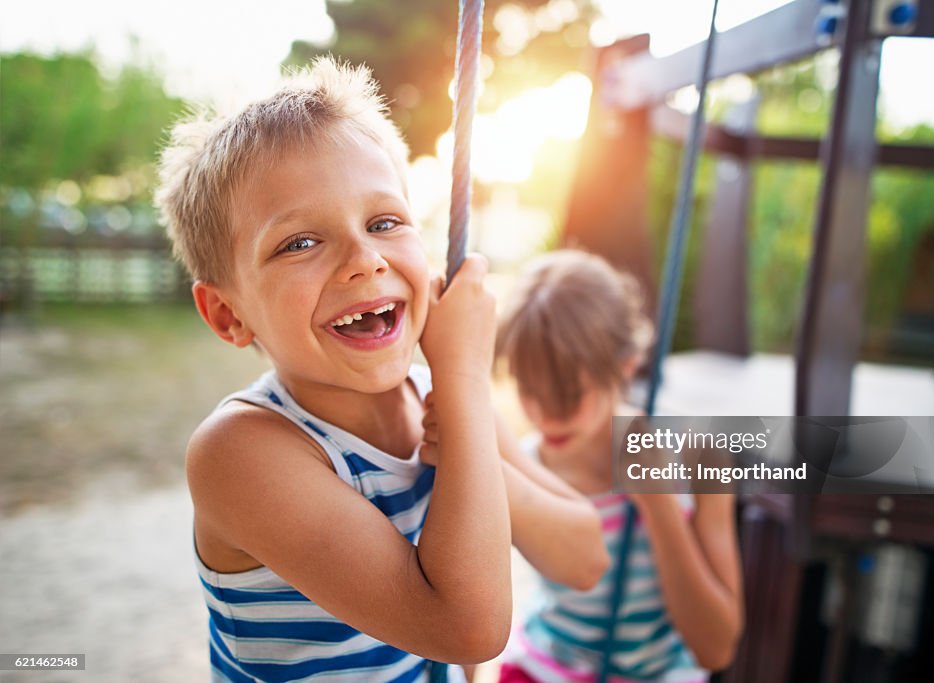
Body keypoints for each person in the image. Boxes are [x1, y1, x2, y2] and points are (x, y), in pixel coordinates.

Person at [155, 58, 608, 682]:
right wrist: (467, 384)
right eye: (299, 242)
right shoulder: (240, 452)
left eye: (385, 222)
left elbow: (585, 558)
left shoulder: (444, 401)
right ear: (229, 314)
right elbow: (467, 629)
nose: (365, 259)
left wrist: (470, 443)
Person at [495, 250, 744, 682]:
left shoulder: (698, 455)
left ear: (625, 367)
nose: (548, 414)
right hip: (544, 668)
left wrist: (659, 505)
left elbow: (716, 648)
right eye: (530, 390)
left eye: (570, 392)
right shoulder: (524, 469)